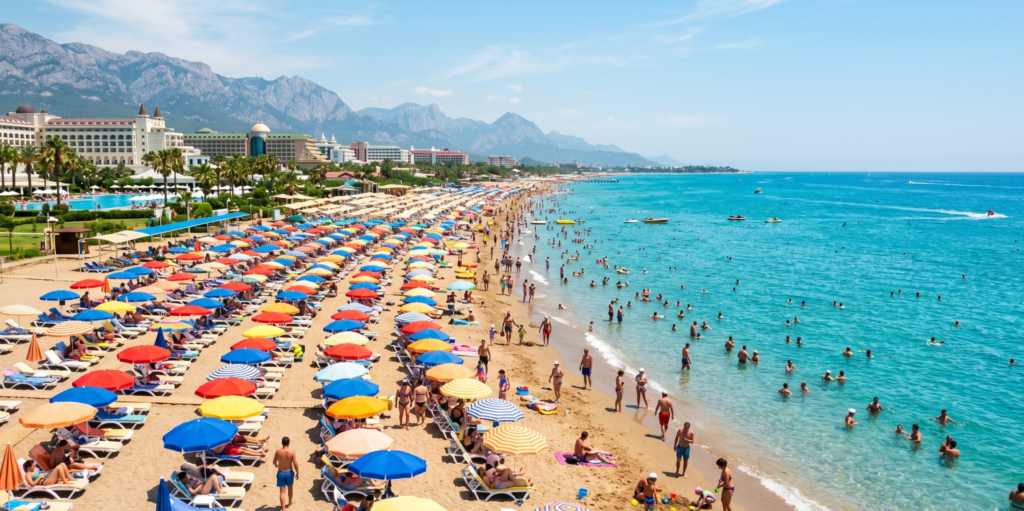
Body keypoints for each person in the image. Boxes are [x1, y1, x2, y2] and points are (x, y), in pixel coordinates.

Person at [273, 437, 298, 509]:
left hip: (280, 473)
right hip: (289, 472)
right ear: (289, 443)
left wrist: (277, 465)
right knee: (290, 489)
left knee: (282, 492)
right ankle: (290, 502)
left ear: (282, 443)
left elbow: (274, 462)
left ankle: (283, 509)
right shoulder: (292, 452)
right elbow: (295, 464)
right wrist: (298, 473)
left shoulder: (278, 452)